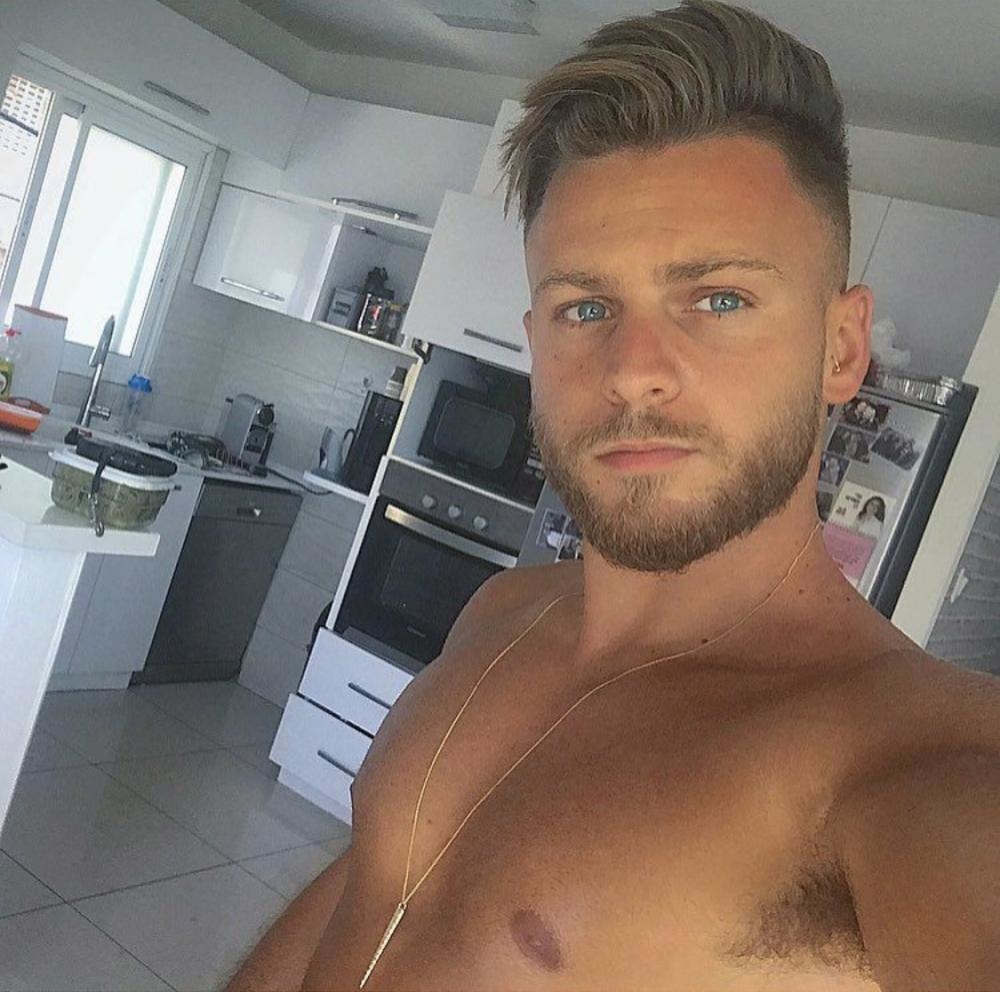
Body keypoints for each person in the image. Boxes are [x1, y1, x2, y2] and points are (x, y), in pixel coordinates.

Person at [228, 3, 1000, 990]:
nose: (633, 370)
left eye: (717, 298)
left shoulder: (908, 759)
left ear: (840, 349)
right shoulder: (505, 609)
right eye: (585, 306)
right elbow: (374, 894)